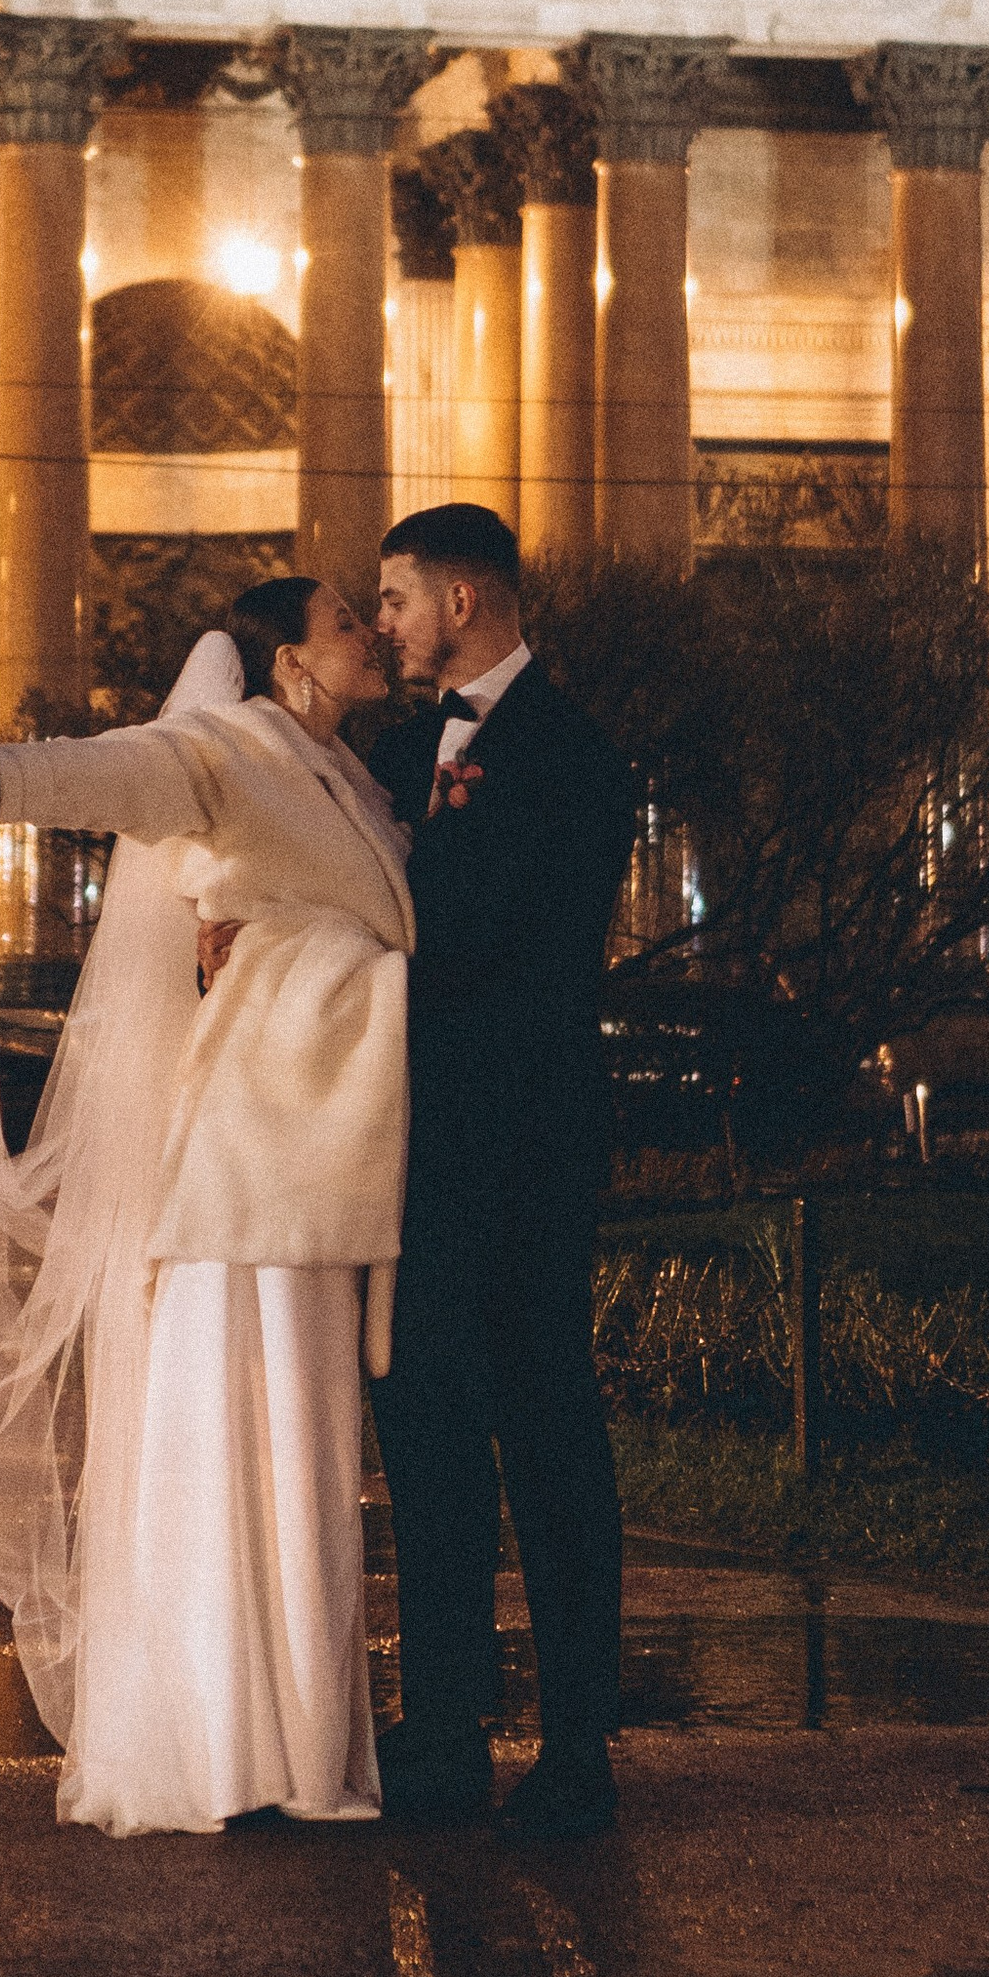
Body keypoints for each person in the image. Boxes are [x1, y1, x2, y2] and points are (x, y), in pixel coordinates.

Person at [0, 578, 411, 1836]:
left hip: (313, 1143)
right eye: (343, 621)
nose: (370, 634)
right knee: (253, 1432)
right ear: (288, 663)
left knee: (304, 1445)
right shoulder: (230, 749)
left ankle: (288, 1736)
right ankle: (223, 1745)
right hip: (252, 1158)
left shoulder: (351, 778)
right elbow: (116, 771)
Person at [363, 503, 637, 1840]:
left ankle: (578, 1744)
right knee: (423, 1435)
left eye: (397, 598)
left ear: (462, 600)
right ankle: (444, 1729)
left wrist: (360, 946)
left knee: (545, 1432)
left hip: (525, 1148)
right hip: (408, 1152)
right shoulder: (392, 751)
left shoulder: (577, 759)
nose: (384, 626)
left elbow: (510, 942)